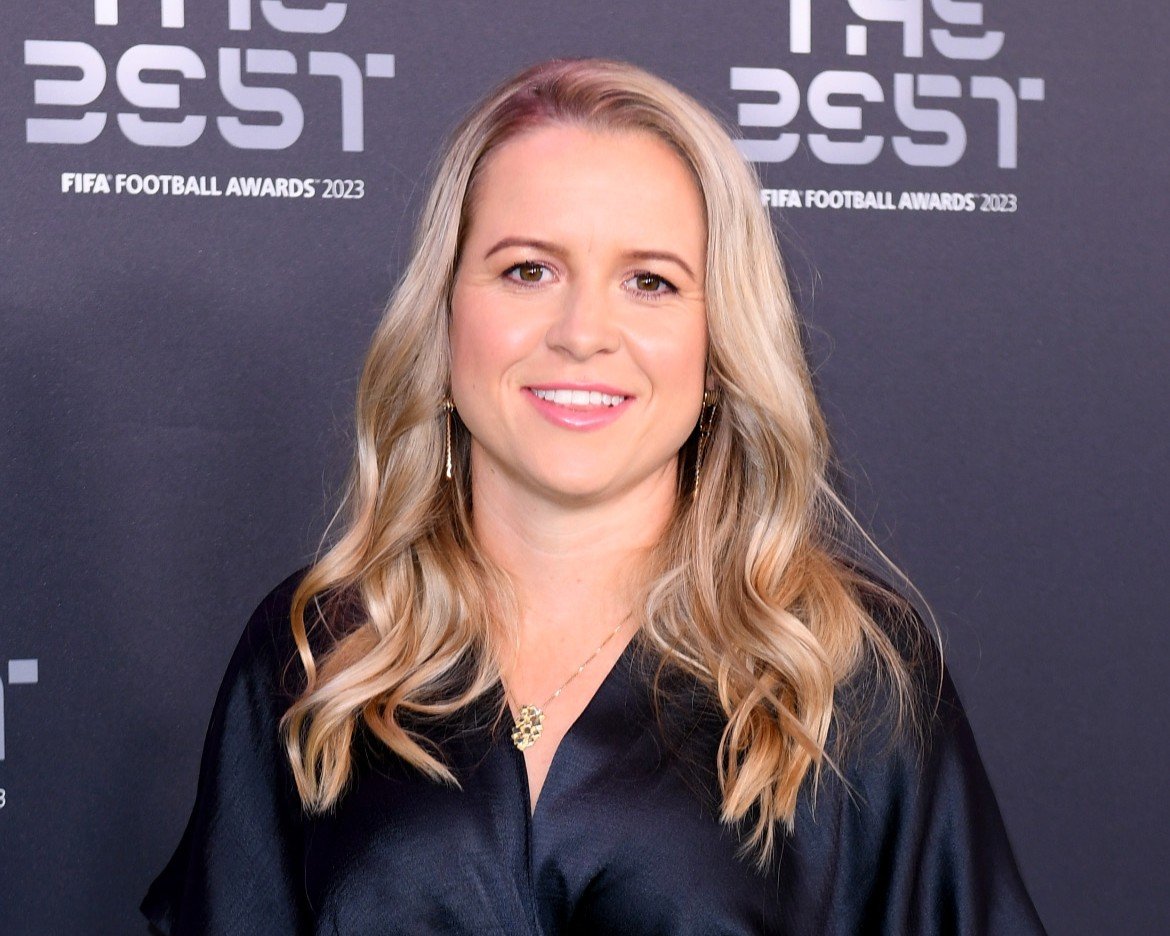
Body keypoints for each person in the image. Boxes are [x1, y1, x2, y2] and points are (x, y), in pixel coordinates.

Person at [141, 58, 1045, 935]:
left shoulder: (846, 669)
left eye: (650, 281)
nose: (583, 333)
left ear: (720, 348)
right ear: (445, 318)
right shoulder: (318, 655)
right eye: (528, 270)